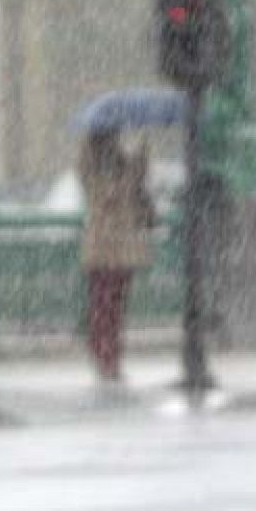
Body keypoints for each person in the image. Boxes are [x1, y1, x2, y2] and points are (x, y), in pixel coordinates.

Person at [78, 130, 152, 385]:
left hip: (111, 250)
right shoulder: (97, 170)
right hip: (110, 250)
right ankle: (107, 355)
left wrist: (143, 147)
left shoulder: (118, 168)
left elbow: (139, 174)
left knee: (108, 307)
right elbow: (133, 178)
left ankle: (107, 355)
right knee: (108, 307)